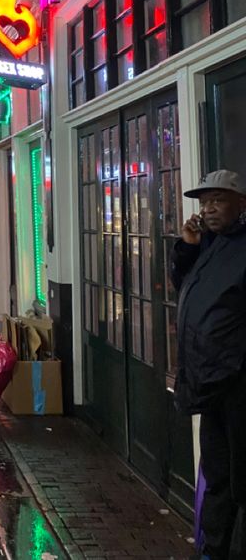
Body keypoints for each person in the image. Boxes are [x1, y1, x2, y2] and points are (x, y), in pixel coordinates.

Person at [171, 170, 246, 560]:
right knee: (217, 473)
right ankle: (213, 551)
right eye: (205, 202)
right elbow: (185, 286)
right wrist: (187, 247)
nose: (209, 208)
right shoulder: (211, 244)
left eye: (218, 200)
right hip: (211, 382)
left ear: (241, 203)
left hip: (237, 383)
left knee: (238, 476)